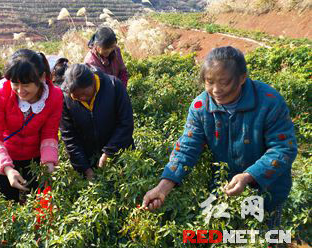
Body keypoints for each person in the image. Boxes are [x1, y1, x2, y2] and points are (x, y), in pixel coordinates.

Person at [141, 46, 297, 229]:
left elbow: (283, 148)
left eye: (224, 82)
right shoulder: (200, 106)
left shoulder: (269, 101)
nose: (216, 90)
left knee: (264, 242)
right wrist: (163, 187)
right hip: (224, 191)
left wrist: (248, 176)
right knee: (227, 242)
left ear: (242, 78)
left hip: (267, 189)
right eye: (209, 82)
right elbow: (187, 147)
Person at [0, 49, 63, 202]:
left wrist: (48, 165)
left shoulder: (54, 96)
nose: (20, 91)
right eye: (15, 83)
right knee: (7, 205)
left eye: (26, 84)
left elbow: (49, 133)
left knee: (40, 204)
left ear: (42, 78)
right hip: (5, 156)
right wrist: (7, 169)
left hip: (34, 158)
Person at [60, 63, 134, 180]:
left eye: (84, 93)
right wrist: (85, 168)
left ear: (93, 81)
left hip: (120, 155)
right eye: (77, 96)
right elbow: (69, 136)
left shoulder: (114, 86)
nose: (82, 98)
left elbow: (126, 123)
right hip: (89, 161)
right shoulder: (65, 98)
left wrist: (109, 152)